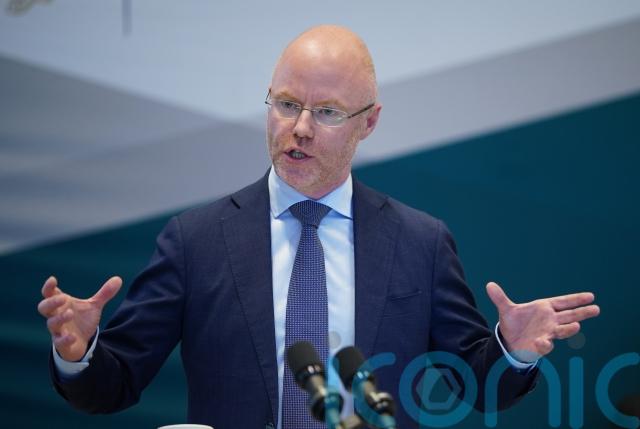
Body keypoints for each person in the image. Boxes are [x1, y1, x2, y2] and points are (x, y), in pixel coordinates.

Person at [37, 25, 600, 429]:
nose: (300, 128)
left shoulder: (420, 243)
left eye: (326, 112)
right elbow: (112, 386)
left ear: (369, 123)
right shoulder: (197, 240)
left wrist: (512, 350)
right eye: (285, 104)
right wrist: (78, 352)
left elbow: (477, 385)